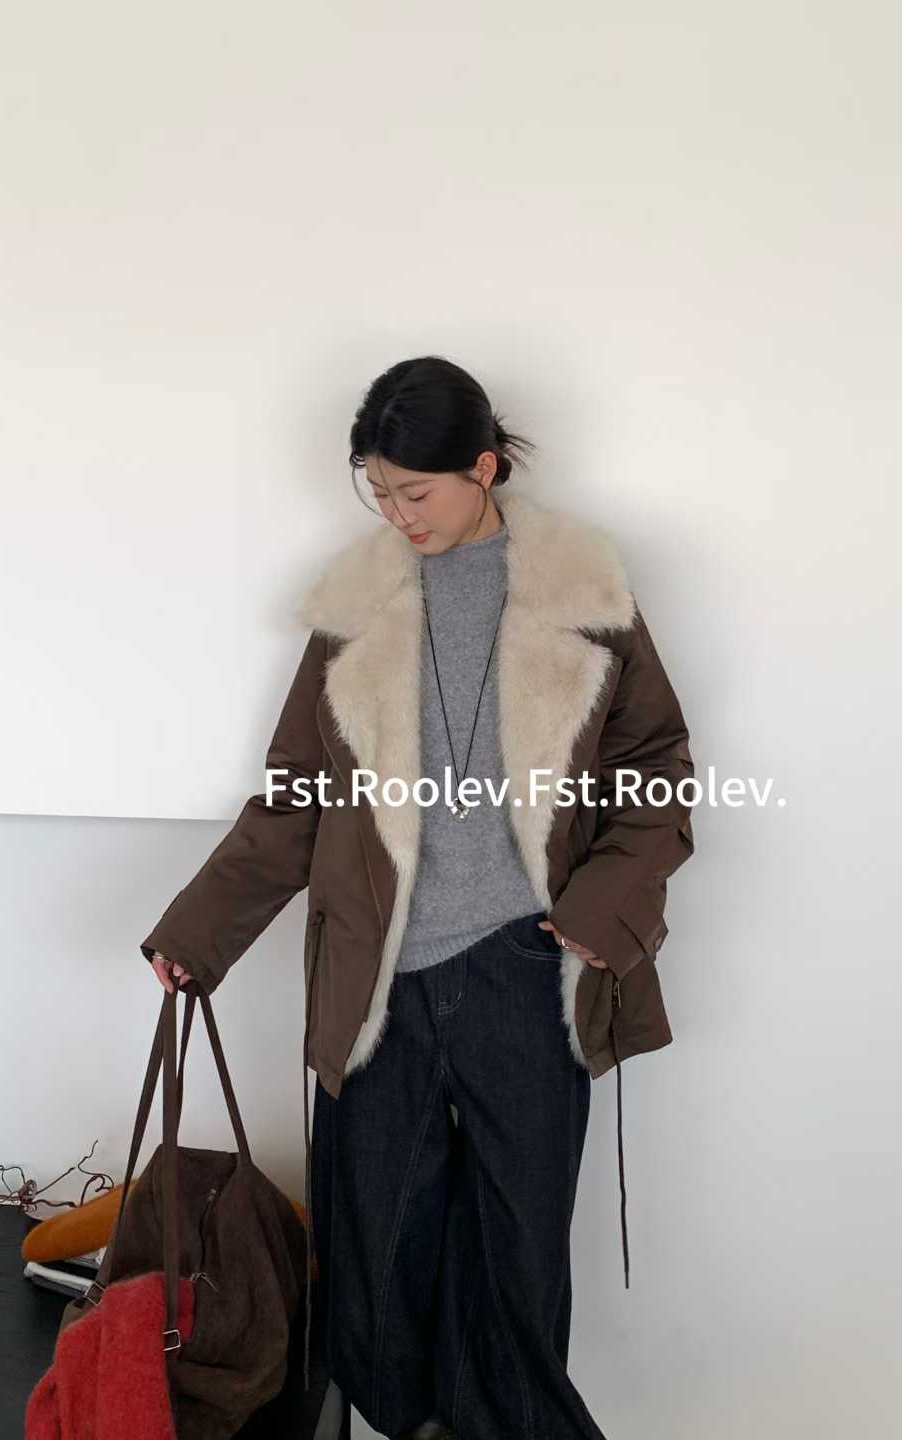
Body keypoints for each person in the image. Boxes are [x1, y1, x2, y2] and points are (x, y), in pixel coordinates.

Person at [143, 355, 695, 1440]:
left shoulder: (586, 596)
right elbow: (297, 797)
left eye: (416, 491)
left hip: (529, 966)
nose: (399, 515)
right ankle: (405, 1424)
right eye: (379, 492)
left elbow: (658, 772)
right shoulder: (356, 610)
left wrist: (595, 918)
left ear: (483, 467)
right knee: (375, 1253)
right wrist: (199, 933)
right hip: (377, 975)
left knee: (518, 1253)